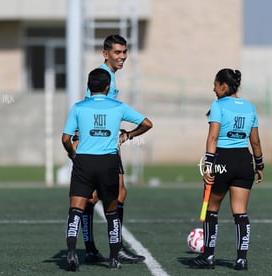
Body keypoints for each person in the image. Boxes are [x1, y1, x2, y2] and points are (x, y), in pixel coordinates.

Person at [62, 68, 153, 271]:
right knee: (111, 212)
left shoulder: (78, 107)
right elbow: (147, 123)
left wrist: (72, 155)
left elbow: (66, 138)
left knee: (75, 210)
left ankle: (71, 252)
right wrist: (128, 135)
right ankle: (114, 258)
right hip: (108, 162)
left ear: (89, 86)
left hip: (84, 162)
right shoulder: (118, 106)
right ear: (107, 87)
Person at [75, 34, 146, 263]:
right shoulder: (104, 78)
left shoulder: (108, 76)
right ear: (105, 54)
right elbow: (92, 107)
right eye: (117, 52)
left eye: (124, 52)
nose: (122, 57)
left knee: (95, 197)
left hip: (100, 144)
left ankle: (92, 248)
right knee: (113, 193)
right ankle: (114, 248)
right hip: (101, 147)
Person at [191, 68, 264, 271]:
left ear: (224, 85)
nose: (213, 90)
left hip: (222, 160)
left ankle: (208, 256)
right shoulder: (250, 107)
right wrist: (259, 165)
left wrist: (209, 165)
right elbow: (255, 142)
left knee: (212, 209)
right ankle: (241, 259)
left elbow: (212, 138)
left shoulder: (217, 105)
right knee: (240, 212)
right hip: (243, 161)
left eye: (215, 85)